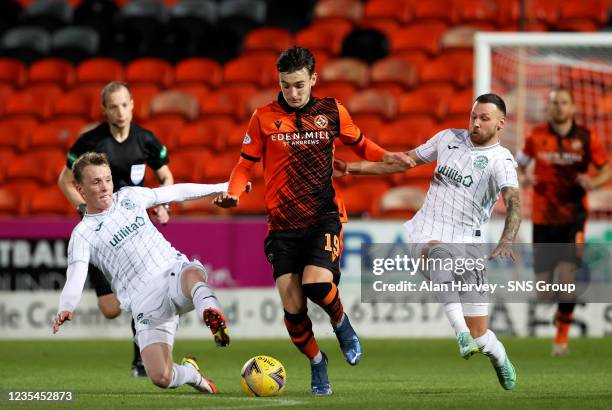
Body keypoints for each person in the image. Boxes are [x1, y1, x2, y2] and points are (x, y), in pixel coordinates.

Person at [213, 45, 413, 395]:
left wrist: (390, 158)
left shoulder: (332, 111)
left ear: (313, 79)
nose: (292, 92)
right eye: (286, 85)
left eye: (299, 85)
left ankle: (340, 322)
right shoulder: (262, 117)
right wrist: (234, 192)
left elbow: (363, 146)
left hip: (324, 216)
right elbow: (245, 163)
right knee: (293, 309)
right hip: (282, 225)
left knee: (317, 285)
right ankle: (318, 362)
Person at [335, 93, 521, 390]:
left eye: (484, 118)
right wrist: (351, 169)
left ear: (501, 123)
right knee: (438, 254)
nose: (475, 123)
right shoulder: (448, 138)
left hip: (468, 244)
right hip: (426, 232)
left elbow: (513, 202)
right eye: (473, 116)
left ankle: (498, 356)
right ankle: (459, 333)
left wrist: (507, 239)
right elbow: (403, 162)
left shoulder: (501, 161)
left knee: (481, 336)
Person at [53, 152, 242, 393]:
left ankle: (210, 311)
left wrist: (222, 186)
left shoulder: (130, 196)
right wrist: (66, 307)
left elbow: (175, 192)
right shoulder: (82, 233)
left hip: (170, 272)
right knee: (161, 377)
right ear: (80, 188)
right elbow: (76, 274)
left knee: (192, 274)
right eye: (96, 182)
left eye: (107, 179)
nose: (105, 187)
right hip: (144, 301)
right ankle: (191, 373)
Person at [58, 81, 174, 377]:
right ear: (104, 110)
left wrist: (163, 206)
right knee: (110, 309)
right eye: (113, 106)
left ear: (133, 104)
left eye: (124, 105)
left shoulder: (146, 140)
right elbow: (64, 180)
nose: (120, 112)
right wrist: (84, 210)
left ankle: (142, 359)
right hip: (101, 238)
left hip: (133, 231)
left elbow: (166, 177)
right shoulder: (90, 142)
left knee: (143, 290)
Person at [516, 88, 610, 356]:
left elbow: (606, 168)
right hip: (543, 219)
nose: (558, 107)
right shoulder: (536, 136)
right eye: (554, 102)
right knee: (544, 292)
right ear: (549, 108)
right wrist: (524, 177)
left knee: (568, 276)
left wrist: (594, 182)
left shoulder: (586, 137)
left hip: (573, 217)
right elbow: (519, 164)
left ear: (573, 108)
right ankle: (560, 309)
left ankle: (561, 339)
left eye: (563, 103)